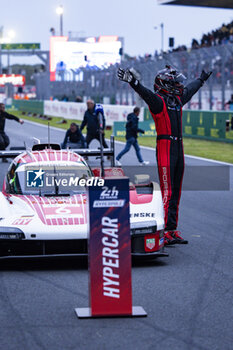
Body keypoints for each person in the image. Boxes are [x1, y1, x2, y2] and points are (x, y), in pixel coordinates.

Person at [117, 65, 212, 245]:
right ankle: (162, 232)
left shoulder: (177, 100)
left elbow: (190, 90)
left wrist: (201, 80)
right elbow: (145, 93)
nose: (179, 85)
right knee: (167, 191)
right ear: (165, 84)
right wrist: (133, 81)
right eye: (175, 82)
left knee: (176, 191)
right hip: (165, 146)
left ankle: (172, 229)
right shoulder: (158, 101)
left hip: (178, 146)